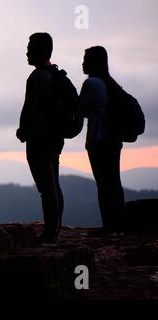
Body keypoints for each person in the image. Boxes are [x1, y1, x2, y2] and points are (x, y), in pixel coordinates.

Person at [16, 33, 64, 243]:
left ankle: (51, 232)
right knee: (54, 183)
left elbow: (32, 109)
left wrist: (23, 130)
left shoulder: (38, 77)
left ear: (40, 50)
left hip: (39, 139)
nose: (26, 52)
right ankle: (56, 228)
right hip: (54, 138)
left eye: (30, 47)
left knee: (47, 188)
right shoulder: (54, 75)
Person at [80, 46, 125, 234]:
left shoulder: (91, 84)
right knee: (114, 182)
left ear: (94, 62)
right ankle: (118, 226)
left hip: (99, 140)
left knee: (103, 184)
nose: (82, 63)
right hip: (113, 139)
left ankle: (109, 226)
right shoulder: (109, 83)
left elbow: (79, 109)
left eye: (86, 59)